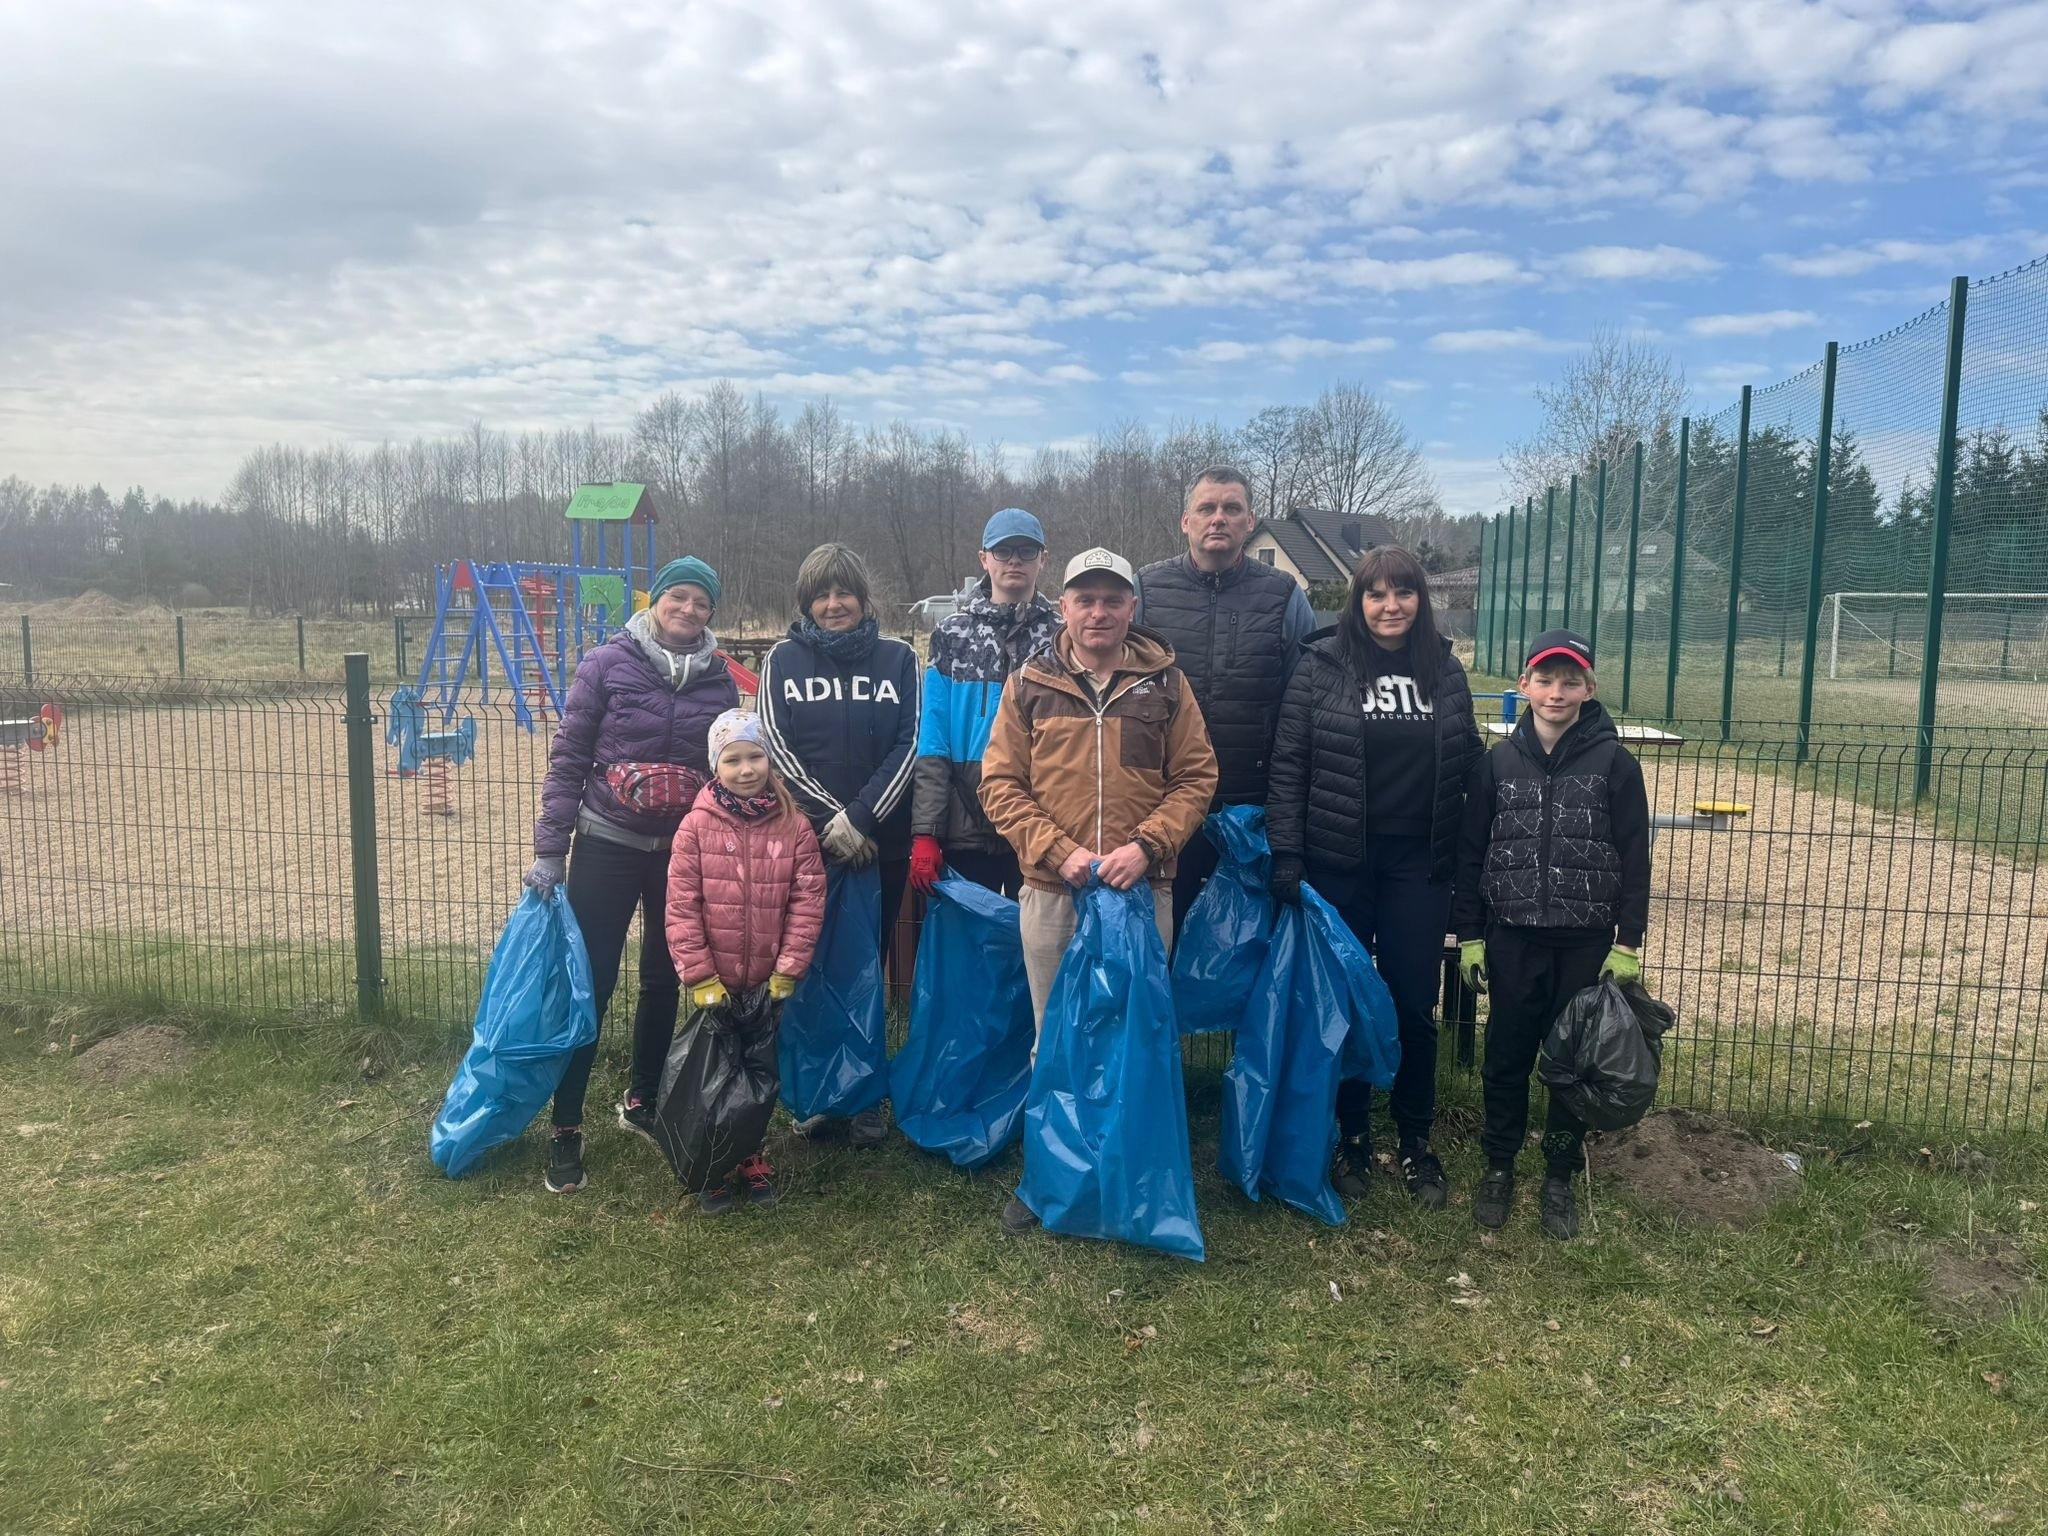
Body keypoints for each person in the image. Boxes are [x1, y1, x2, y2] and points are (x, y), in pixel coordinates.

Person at [979, 547, 1219, 1234]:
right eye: (1085, 599)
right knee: (1052, 1035)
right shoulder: (1029, 683)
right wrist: (1060, 852)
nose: (1098, 612)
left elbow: (1196, 777)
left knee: (1132, 1036)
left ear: (1131, 608)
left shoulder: (1167, 684)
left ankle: (1126, 1176)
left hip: (1143, 891)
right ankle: (1049, 1182)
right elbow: (1000, 783)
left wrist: (1146, 847)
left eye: (1113, 599)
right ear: (1064, 607)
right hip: (1053, 891)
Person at [1264, 547, 1483, 1211]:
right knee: (1345, 1003)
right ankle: (1351, 1134)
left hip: (1419, 865)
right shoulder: (1321, 666)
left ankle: (1416, 1138)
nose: (1391, 606)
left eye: (1404, 593)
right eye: (1376, 594)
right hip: (1340, 862)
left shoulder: (1445, 669)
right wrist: (1286, 854)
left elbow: (1469, 761)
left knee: (1413, 1003)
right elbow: (1289, 764)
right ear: (1357, 602)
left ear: (1421, 600)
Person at [524, 556, 740, 1195]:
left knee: (664, 977)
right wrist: (550, 849)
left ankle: (642, 1100)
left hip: (679, 852)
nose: (688, 610)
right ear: (655, 601)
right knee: (591, 981)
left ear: (711, 612)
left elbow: (728, 768)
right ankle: (566, 1125)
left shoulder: (719, 681)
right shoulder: (606, 664)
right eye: (678, 597)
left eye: (701, 602)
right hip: (607, 843)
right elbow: (569, 757)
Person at [1452, 629, 1651, 1241]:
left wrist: (1628, 941)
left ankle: (1560, 1172)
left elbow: (1635, 856)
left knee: (1571, 1065)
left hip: (1584, 941)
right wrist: (1471, 934)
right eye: (1544, 679)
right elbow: (1471, 851)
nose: (1556, 692)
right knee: (1506, 1058)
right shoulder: (1496, 763)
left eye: (1570, 681)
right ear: (1524, 685)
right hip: (1511, 937)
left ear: (1589, 688)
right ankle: (1499, 1165)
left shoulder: (1616, 764)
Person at [757, 541, 921, 1146]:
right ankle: (817, 1093)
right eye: (821, 594)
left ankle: (866, 1096)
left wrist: (863, 819)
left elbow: (912, 742)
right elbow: (775, 748)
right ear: (806, 602)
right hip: (807, 846)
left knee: (866, 968)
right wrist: (834, 822)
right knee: (807, 966)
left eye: (844, 592)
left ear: (862, 597)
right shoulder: (782, 660)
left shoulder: (899, 658)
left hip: (882, 845)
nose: (834, 604)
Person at [1135, 465, 1317, 932]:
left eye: (1232, 508)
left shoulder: (1284, 596)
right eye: (1207, 508)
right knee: (1164, 938)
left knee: (1241, 945)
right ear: (1186, 521)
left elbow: (1305, 704)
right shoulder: (1146, 590)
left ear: (1250, 521)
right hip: (1162, 805)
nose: (1218, 518)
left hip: (1250, 810)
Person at [663, 709, 827, 1212]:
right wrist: (699, 975)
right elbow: (681, 904)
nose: (746, 768)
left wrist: (789, 967)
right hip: (715, 980)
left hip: (766, 981)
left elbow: (808, 900)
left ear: (770, 760)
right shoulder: (695, 827)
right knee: (716, 1072)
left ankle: (749, 1152)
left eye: (755, 756)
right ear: (715, 766)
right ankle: (713, 1161)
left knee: (758, 1072)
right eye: (732, 759)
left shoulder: (795, 826)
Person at [909, 508, 1062, 900]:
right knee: (970, 937)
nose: (1014, 561)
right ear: (984, 558)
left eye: (1026, 551)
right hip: (964, 825)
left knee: (1035, 938)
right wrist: (926, 831)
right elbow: (933, 739)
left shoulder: (1062, 637)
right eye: (1003, 551)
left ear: (1043, 559)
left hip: (1042, 824)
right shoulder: (951, 635)